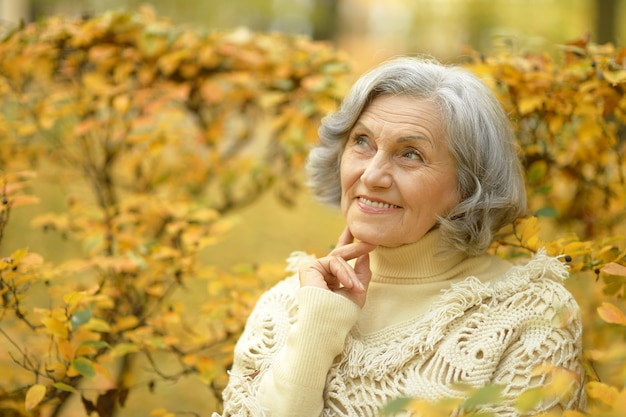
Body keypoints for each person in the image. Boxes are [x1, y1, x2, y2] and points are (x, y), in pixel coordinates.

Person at [215, 57, 585, 416]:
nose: (373, 175)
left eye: (410, 154)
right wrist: (317, 325)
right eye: (362, 141)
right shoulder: (285, 306)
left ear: (468, 185)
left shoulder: (532, 315)